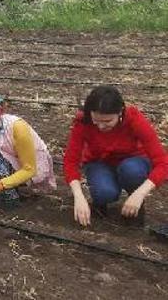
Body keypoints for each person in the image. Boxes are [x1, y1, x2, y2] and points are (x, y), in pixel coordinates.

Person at [63, 85, 167, 226]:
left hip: (133, 160)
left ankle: (135, 205)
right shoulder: (83, 121)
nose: (100, 126)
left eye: (107, 121)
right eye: (96, 120)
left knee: (132, 170)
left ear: (120, 112)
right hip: (99, 162)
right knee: (104, 192)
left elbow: (162, 162)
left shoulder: (134, 119)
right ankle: (100, 204)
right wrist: (79, 196)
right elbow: (70, 161)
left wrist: (140, 193)